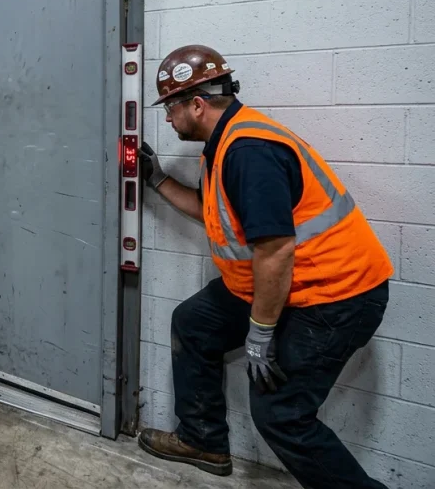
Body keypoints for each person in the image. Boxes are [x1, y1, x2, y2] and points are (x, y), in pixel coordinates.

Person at [137, 45, 392, 488]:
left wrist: (260, 332)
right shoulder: (224, 143)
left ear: (197, 104)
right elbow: (212, 210)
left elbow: (275, 251)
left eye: (171, 107)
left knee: (281, 414)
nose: (167, 119)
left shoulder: (249, 151)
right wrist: (156, 178)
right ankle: (204, 440)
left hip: (334, 296)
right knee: (195, 323)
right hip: (281, 287)